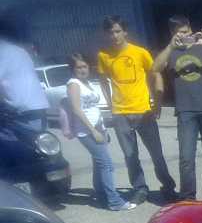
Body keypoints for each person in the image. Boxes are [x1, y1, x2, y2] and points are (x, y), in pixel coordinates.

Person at [97, 15, 177, 204]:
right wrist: (110, 104)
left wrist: (157, 101)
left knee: (156, 153)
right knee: (130, 155)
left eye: (117, 31)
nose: (114, 36)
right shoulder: (104, 56)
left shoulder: (140, 52)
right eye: (110, 32)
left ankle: (168, 186)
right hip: (120, 113)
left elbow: (155, 73)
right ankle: (140, 188)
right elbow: (102, 81)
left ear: (125, 32)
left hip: (143, 111)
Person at [153, 16, 202, 201]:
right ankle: (188, 197)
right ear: (173, 33)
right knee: (186, 158)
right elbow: (154, 67)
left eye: (186, 31)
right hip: (185, 110)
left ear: (191, 30)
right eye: (179, 32)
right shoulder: (171, 51)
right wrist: (170, 46)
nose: (184, 35)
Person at [64, 53, 135, 211]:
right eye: (78, 67)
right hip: (86, 131)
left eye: (85, 66)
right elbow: (76, 109)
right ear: (73, 69)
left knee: (99, 163)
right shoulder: (73, 84)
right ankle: (114, 201)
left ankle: (101, 195)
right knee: (107, 164)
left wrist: (102, 130)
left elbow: (93, 109)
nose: (83, 69)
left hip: (98, 129)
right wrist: (93, 130)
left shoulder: (86, 83)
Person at [0, 18, 49, 132]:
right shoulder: (18, 51)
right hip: (36, 106)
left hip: (21, 112)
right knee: (40, 144)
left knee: (23, 146)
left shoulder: (3, 51)